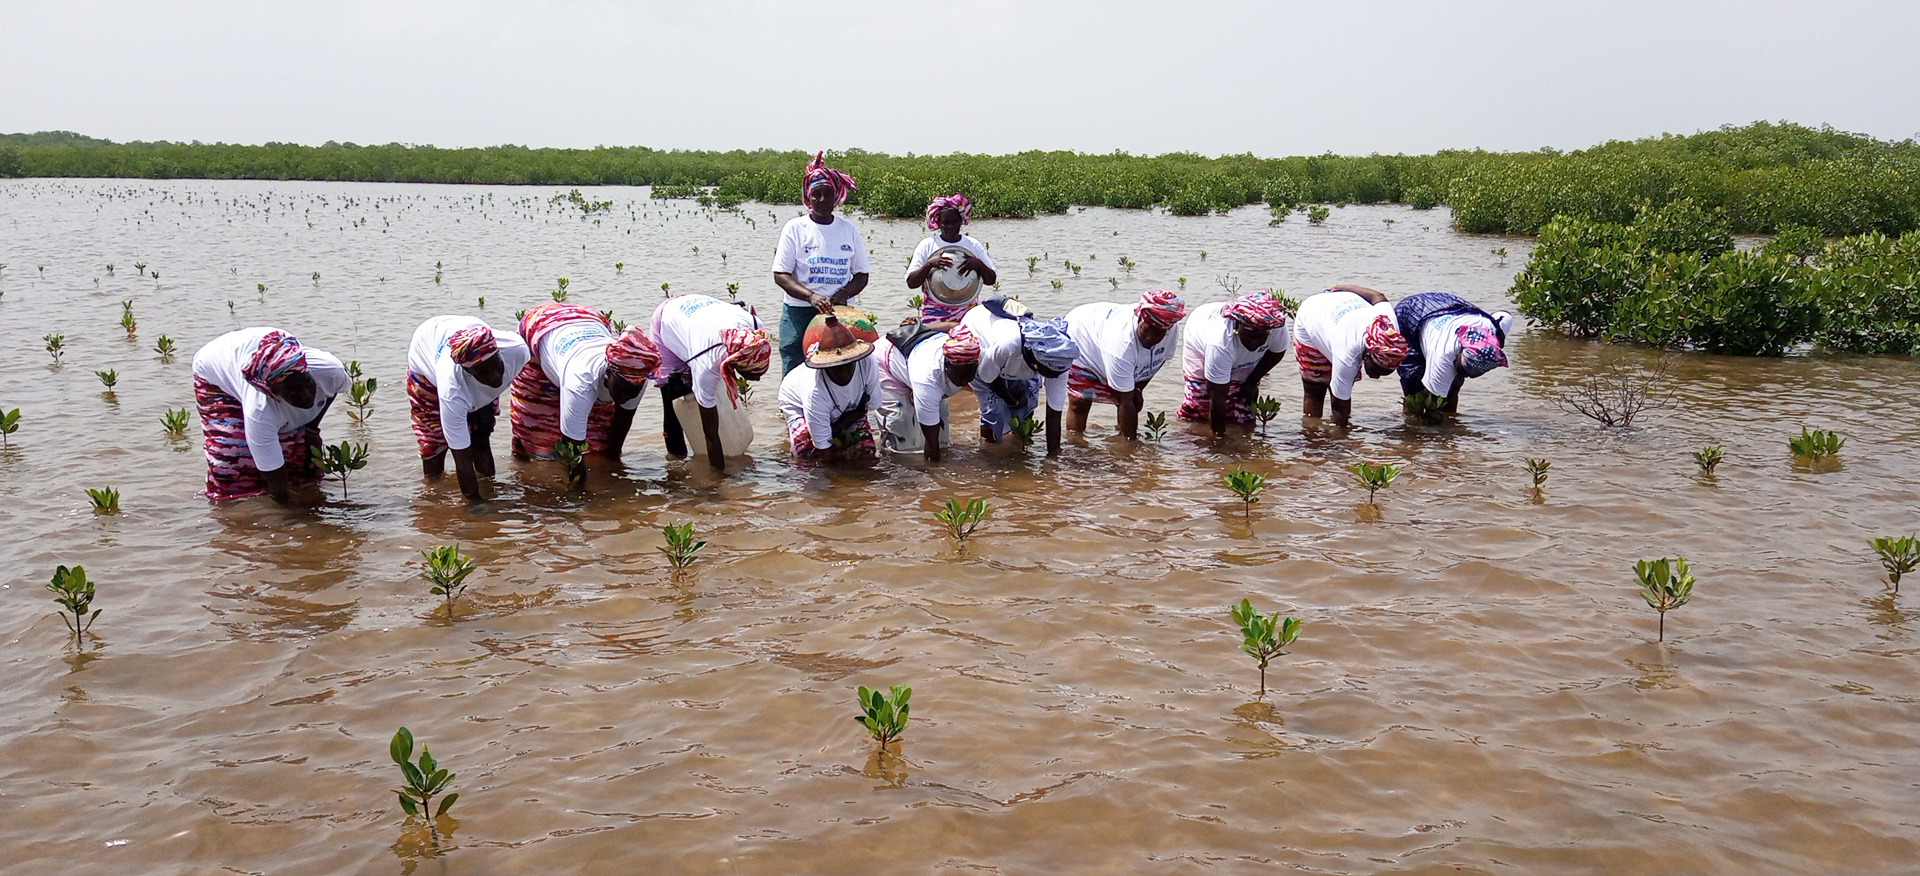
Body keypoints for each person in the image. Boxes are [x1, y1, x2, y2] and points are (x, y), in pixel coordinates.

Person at [191, 327, 349, 503]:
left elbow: (331, 390)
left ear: (307, 372)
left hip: (257, 353)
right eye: (293, 391)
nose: (306, 396)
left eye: (307, 384)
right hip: (214, 372)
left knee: (300, 459)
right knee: (234, 462)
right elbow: (275, 479)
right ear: (273, 392)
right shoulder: (259, 410)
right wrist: (284, 509)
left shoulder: (329, 370)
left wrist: (311, 428)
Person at [509, 302, 659, 478]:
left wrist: (613, 470)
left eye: (633, 390)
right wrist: (579, 497)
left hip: (589, 320)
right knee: (537, 426)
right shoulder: (580, 381)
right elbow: (572, 450)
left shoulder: (636, 372)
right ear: (607, 375)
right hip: (540, 325)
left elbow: (621, 423)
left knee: (599, 441)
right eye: (623, 390)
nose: (628, 396)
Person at [406, 316, 530, 501]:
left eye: (496, 365)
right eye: (483, 373)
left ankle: (490, 487)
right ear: (468, 373)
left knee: (481, 432)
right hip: (425, 365)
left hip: (461, 328)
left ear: (499, 354)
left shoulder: (516, 350)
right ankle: (433, 495)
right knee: (434, 443)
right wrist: (475, 505)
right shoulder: (452, 390)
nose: (495, 377)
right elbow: (462, 458)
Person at [649, 293, 774, 472]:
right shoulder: (706, 365)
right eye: (753, 374)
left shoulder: (755, 329)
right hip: (667, 321)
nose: (758, 378)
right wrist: (718, 479)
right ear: (735, 362)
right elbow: (711, 433)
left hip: (698, 313)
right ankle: (675, 465)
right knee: (672, 398)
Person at [772, 151, 870, 374]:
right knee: (795, 363)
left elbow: (862, 275)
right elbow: (781, 274)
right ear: (808, 196)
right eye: (817, 194)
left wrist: (843, 294)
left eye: (828, 194)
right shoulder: (795, 228)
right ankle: (792, 409)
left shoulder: (848, 230)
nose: (822, 200)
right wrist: (811, 296)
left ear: (836, 196)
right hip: (799, 311)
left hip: (839, 311)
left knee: (841, 366)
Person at [961, 296, 1079, 455]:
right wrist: (1011, 399)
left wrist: (1054, 455)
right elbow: (987, 377)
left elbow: (1054, 413)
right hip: (982, 346)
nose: (1054, 377)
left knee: (1027, 400)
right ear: (1037, 364)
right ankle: (989, 451)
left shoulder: (1059, 360)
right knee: (994, 411)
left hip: (1016, 359)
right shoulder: (1009, 345)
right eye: (1050, 374)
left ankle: (1019, 449)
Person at [1064, 289, 1187, 440]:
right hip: (1081, 337)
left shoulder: (1171, 329)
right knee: (1080, 402)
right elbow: (1125, 400)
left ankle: (1121, 434)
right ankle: (1076, 444)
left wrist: (1138, 388)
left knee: (1132, 398)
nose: (1151, 338)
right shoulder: (1121, 344)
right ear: (1140, 321)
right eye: (1146, 330)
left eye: (1158, 334)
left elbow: (1158, 362)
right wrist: (1132, 445)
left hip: (1103, 334)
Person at [1290, 284, 1409, 426]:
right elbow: (1340, 405)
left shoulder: (1390, 332)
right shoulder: (1348, 352)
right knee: (1315, 387)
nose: (1376, 377)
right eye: (1377, 370)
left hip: (1342, 318)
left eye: (1385, 373)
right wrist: (1342, 439)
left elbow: (1378, 297)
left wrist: (1342, 287)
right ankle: (1311, 436)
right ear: (1368, 355)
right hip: (1313, 314)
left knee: (1344, 382)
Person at [1176, 292, 1291, 436]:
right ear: (1237, 326)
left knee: (1242, 406)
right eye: (1249, 336)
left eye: (1260, 337)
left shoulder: (1274, 327)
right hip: (1199, 340)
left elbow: (1277, 352)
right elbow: (1217, 397)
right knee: (1200, 402)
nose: (1254, 342)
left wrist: (1252, 381)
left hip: (1232, 348)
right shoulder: (1220, 341)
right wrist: (1219, 441)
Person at [777, 311, 884, 464]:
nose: (843, 371)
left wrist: (842, 428)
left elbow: (867, 406)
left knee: (867, 452)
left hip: (848, 410)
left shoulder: (868, 363)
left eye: (847, 364)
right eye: (835, 366)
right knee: (807, 457)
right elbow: (824, 452)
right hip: (797, 404)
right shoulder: (814, 390)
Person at [874, 323, 981, 463]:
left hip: (916, 360)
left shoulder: (974, 356)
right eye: (960, 374)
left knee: (943, 438)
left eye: (969, 373)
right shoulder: (927, 377)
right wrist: (934, 476)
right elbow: (931, 442)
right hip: (886, 364)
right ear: (947, 365)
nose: (964, 379)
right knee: (903, 439)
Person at [1392, 292, 1514, 413]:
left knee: (1453, 386)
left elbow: (1505, 315)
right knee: (1415, 389)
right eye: (1462, 370)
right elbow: (1429, 400)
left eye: (1468, 374)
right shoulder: (1443, 354)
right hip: (1410, 313)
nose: (1465, 375)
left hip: (1451, 306)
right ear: (1460, 352)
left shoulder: (1493, 332)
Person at [904, 193, 997, 324]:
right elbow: (911, 282)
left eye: (954, 222)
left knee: (966, 343)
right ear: (938, 223)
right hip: (935, 313)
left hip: (968, 312)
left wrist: (978, 264)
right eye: (945, 223)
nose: (950, 226)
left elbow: (991, 279)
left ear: (961, 221)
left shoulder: (972, 245)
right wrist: (929, 265)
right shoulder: (927, 245)